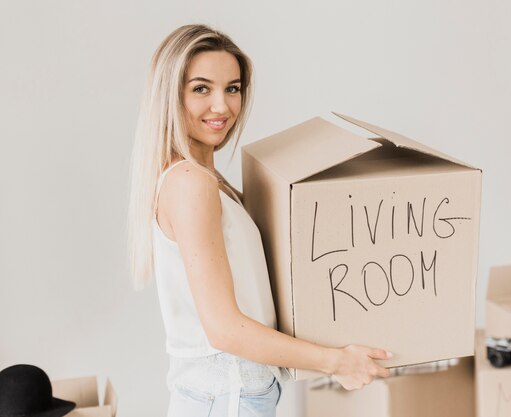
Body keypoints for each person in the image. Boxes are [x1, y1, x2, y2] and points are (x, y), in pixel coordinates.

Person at [127, 23, 391, 417]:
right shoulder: (189, 183)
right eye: (202, 88)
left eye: (232, 88)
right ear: (171, 94)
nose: (222, 106)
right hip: (227, 396)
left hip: (231, 395)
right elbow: (225, 329)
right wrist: (336, 361)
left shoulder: (206, 180)